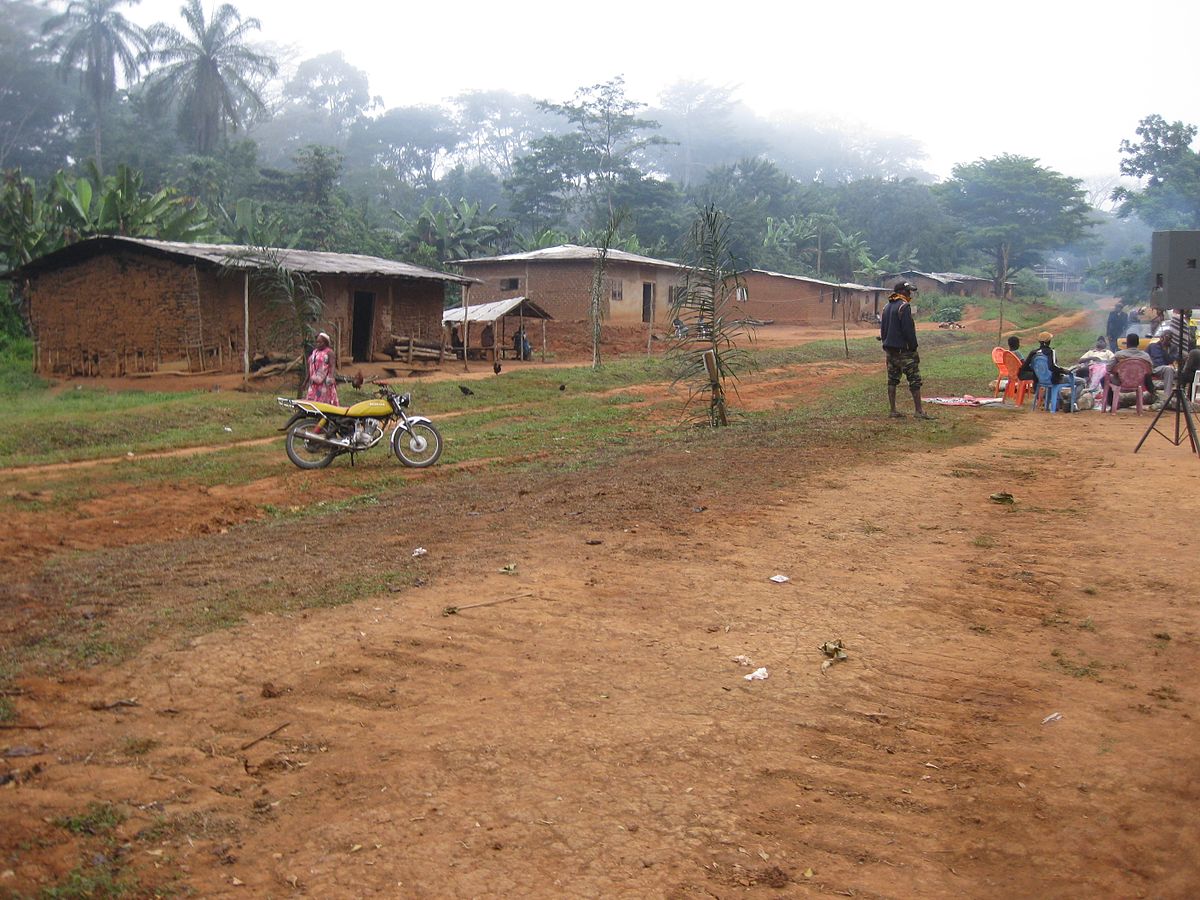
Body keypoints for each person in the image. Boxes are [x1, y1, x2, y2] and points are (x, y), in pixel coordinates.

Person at [880, 281, 932, 419]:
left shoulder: (886, 307)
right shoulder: (904, 307)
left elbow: (883, 331)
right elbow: (908, 331)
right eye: (908, 291)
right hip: (905, 352)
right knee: (914, 380)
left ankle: (893, 410)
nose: (910, 294)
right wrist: (913, 347)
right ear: (902, 292)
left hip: (890, 352)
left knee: (892, 380)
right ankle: (919, 411)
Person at [1020, 331, 1077, 409]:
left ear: (1039, 342)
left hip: (1040, 380)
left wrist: (1037, 371)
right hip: (1052, 380)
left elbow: (1025, 367)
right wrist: (1064, 370)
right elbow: (1052, 367)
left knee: (1053, 385)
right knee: (1081, 382)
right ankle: (1069, 403)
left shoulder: (1034, 353)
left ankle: (1057, 402)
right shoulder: (1051, 352)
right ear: (1049, 342)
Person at [1105, 332, 1156, 404]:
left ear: (1127, 343)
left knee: (1105, 378)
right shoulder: (1145, 356)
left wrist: (1116, 371)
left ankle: (1111, 403)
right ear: (1138, 343)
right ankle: (1153, 396)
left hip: (1121, 382)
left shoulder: (1119, 355)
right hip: (1139, 383)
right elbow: (1150, 370)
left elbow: (1108, 368)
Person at [303, 331, 339, 405]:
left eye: (320, 342)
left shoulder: (329, 352)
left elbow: (332, 365)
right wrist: (306, 381)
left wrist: (331, 377)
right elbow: (311, 367)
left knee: (324, 404)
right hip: (314, 384)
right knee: (312, 404)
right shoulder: (314, 352)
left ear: (325, 343)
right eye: (317, 342)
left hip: (324, 384)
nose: (318, 344)